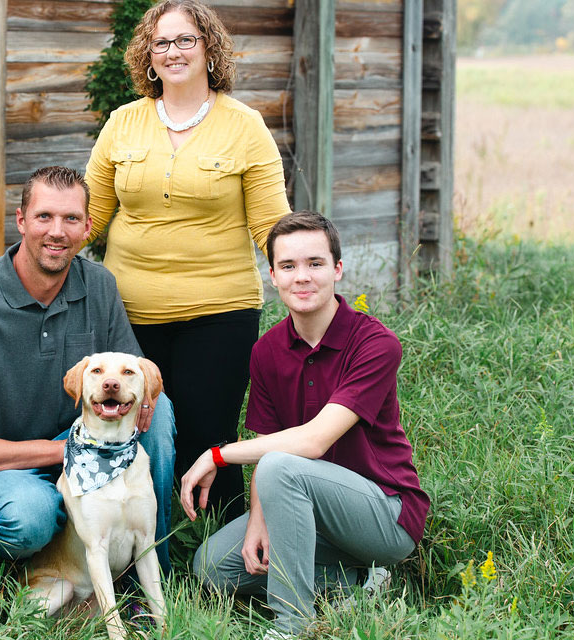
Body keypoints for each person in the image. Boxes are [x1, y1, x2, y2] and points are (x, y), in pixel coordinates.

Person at [83, 0, 291, 520]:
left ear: (208, 50)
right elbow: (87, 216)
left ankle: (223, 550)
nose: (173, 52)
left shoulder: (245, 126)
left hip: (219, 309)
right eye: (162, 43)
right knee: (134, 426)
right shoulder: (122, 124)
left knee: (207, 429)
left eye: (185, 40)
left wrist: (304, 281)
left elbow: (272, 227)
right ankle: (142, 545)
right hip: (129, 310)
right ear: (148, 57)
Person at [181, 212, 430, 638]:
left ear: (337, 269)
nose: (302, 277)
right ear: (273, 276)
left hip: (383, 516)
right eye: (288, 266)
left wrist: (217, 454)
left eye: (315, 263)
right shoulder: (266, 350)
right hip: (302, 506)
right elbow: (267, 443)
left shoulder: (375, 343)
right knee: (212, 568)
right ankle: (356, 582)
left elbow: (313, 442)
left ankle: (292, 625)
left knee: (283, 466)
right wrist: (259, 520)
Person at [0, 166, 177, 570]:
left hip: (84, 447)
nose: (57, 231)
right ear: (21, 221)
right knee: (31, 518)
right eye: (44, 216)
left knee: (158, 410)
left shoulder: (99, 286)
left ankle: (145, 574)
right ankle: (48, 572)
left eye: (71, 219)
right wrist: (68, 452)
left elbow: (139, 390)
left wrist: (123, 418)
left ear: (87, 228)